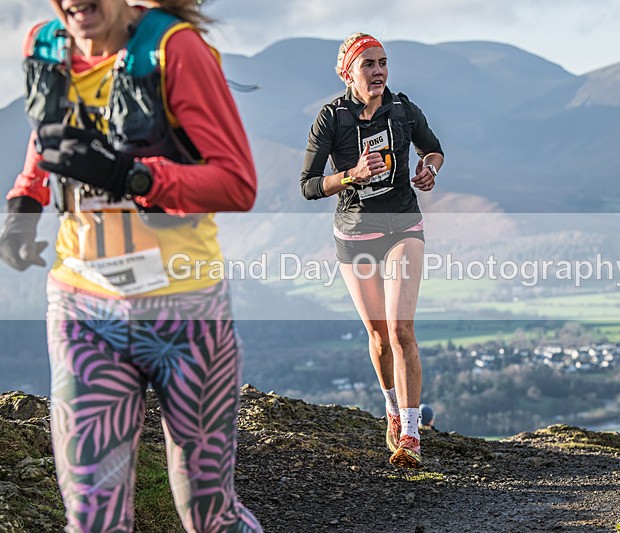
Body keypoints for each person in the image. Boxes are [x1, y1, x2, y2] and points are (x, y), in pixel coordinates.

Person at [0, 0, 263, 530]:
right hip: (84, 310)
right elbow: (48, 131)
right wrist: (24, 206)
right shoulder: (45, 46)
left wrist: (133, 177)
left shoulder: (175, 49)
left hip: (186, 313)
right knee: (92, 519)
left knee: (210, 516)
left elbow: (237, 183)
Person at [300, 33, 444, 469]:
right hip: (355, 233)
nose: (379, 71)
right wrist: (351, 175)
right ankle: (393, 410)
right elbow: (308, 185)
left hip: (402, 224)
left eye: (383, 63)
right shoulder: (332, 119)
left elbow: (434, 149)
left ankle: (413, 436)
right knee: (379, 335)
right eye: (369, 64)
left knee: (402, 330)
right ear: (349, 73)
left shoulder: (402, 109)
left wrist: (429, 169)